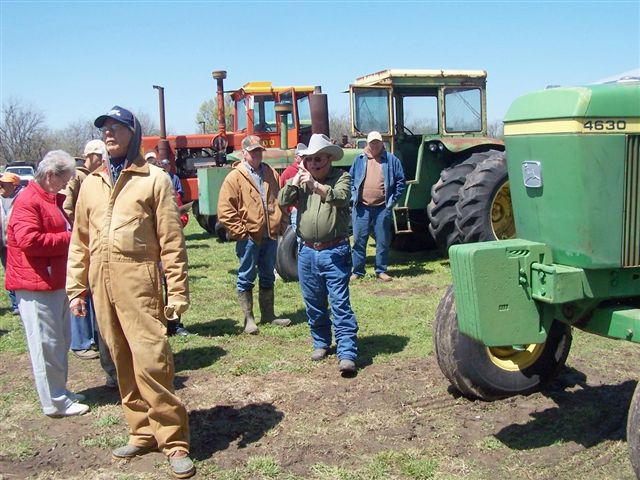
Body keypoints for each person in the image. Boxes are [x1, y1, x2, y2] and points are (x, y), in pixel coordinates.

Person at [66, 106, 194, 478]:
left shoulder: (153, 179)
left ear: (132, 133)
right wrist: (76, 288)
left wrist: (177, 291)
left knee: (151, 360)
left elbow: (172, 241)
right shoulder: (92, 183)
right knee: (121, 360)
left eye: (116, 127)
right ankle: (141, 432)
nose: (108, 133)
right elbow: (80, 241)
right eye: (104, 128)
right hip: (101, 282)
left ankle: (173, 440)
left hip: (139, 283)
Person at [6, 150, 90, 417]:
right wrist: (70, 238)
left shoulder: (49, 198)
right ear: (51, 175)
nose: (66, 185)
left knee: (59, 341)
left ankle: (60, 391)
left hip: (53, 281)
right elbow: (29, 241)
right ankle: (54, 402)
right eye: (64, 179)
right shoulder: (28, 201)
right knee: (46, 345)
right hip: (35, 285)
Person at [278, 134, 358, 375]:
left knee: (340, 304)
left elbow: (341, 198)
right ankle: (321, 342)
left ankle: (347, 352)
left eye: (318, 159)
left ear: (329, 159)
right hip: (307, 252)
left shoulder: (341, 177)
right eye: (309, 160)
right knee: (313, 303)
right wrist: (295, 181)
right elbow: (282, 200)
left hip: (334, 251)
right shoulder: (302, 181)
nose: (313, 164)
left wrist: (315, 186)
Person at [217, 135, 290, 334]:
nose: (257, 154)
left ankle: (268, 315)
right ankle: (248, 319)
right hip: (249, 237)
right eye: (253, 151)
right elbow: (225, 210)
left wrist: (282, 223)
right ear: (244, 153)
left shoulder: (270, 172)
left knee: (268, 275)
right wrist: (242, 233)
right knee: (246, 276)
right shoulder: (234, 177)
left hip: (270, 234)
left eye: (259, 151)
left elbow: (280, 200)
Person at [349, 131, 406, 282]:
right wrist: (353, 195)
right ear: (367, 143)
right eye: (372, 143)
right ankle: (358, 271)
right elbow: (351, 179)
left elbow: (401, 182)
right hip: (361, 207)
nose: (374, 145)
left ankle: (381, 270)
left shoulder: (392, 160)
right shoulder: (359, 159)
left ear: (382, 143)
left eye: (377, 142)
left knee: (382, 240)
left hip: (382, 207)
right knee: (359, 240)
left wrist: (392, 201)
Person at [0, 171, 23, 314]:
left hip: (16, 244)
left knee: (16, 273)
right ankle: (15, 303)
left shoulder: (21, 198)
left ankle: (18, 304)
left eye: (4, 184)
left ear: (14, 186)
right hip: (2, 243)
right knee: (8, 274)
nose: (1, 187)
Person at [279, 143, 306, 230]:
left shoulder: (311, 170)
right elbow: (281, 190)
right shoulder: (289, 171)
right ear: (296, 158)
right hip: (296, 210)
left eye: (306, 156)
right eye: (302, 157)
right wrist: (290, 209)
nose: (305, 159)